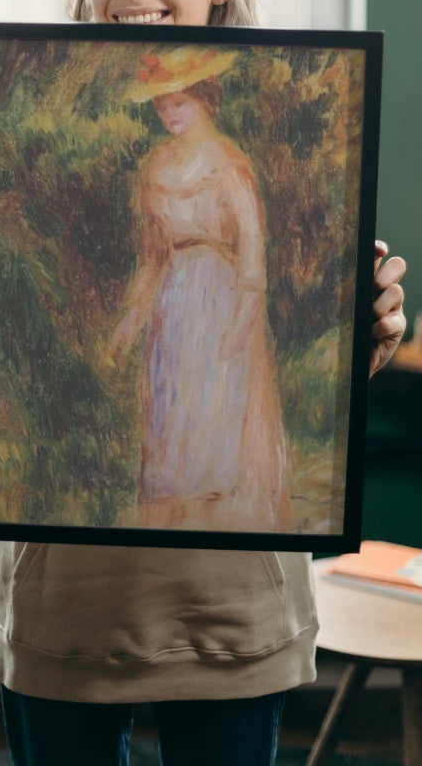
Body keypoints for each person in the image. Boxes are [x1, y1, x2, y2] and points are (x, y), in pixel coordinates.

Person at [0, 0, 407, 766]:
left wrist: (361, 336)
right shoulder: (16, 139)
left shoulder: (261, 137)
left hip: (227, 608)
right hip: (65, 609)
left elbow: (273, 299)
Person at [108, 52, 291, 534]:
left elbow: (252, 253)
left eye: (180, 104)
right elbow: (152, 257)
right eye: (162, 107)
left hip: (220, 299)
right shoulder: (155, 168)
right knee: (170, 406)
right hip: (174, 302)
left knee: (216, 406)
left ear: (205, 102)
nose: (170, 115)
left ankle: (211, 521)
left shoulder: (230, 165)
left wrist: (240, 325)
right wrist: (130, 321)